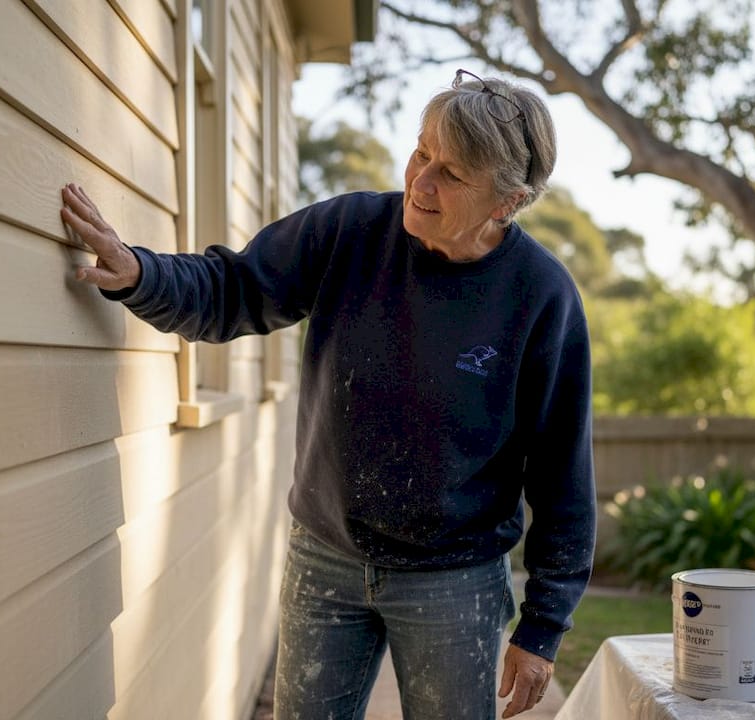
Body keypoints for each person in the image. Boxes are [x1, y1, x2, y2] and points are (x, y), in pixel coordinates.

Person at [60, 69, 595, 720]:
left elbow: (563, 473)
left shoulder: (541, 295)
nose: (420, 182)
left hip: (454, 579)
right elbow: (234, 288)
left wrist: (544, 626)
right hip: (326, 558)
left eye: (451, 175)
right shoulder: (352, 232)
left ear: (507, 201)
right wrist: (141, 272)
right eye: (422, 152)